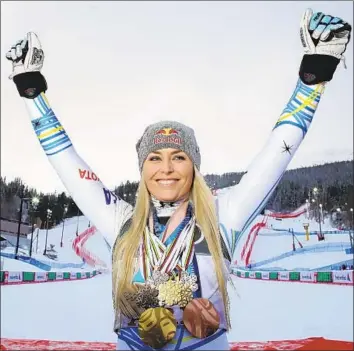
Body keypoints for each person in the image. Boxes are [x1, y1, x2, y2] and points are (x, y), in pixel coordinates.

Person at [6, 8, 351, 351]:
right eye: (154, 158)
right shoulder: (121, 222)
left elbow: (277, 152)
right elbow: (67, 163)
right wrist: (32, 92)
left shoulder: (221, 215)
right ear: (142, 171)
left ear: (194, 168)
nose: (166, 167)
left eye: (179, 157)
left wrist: (314, 75)